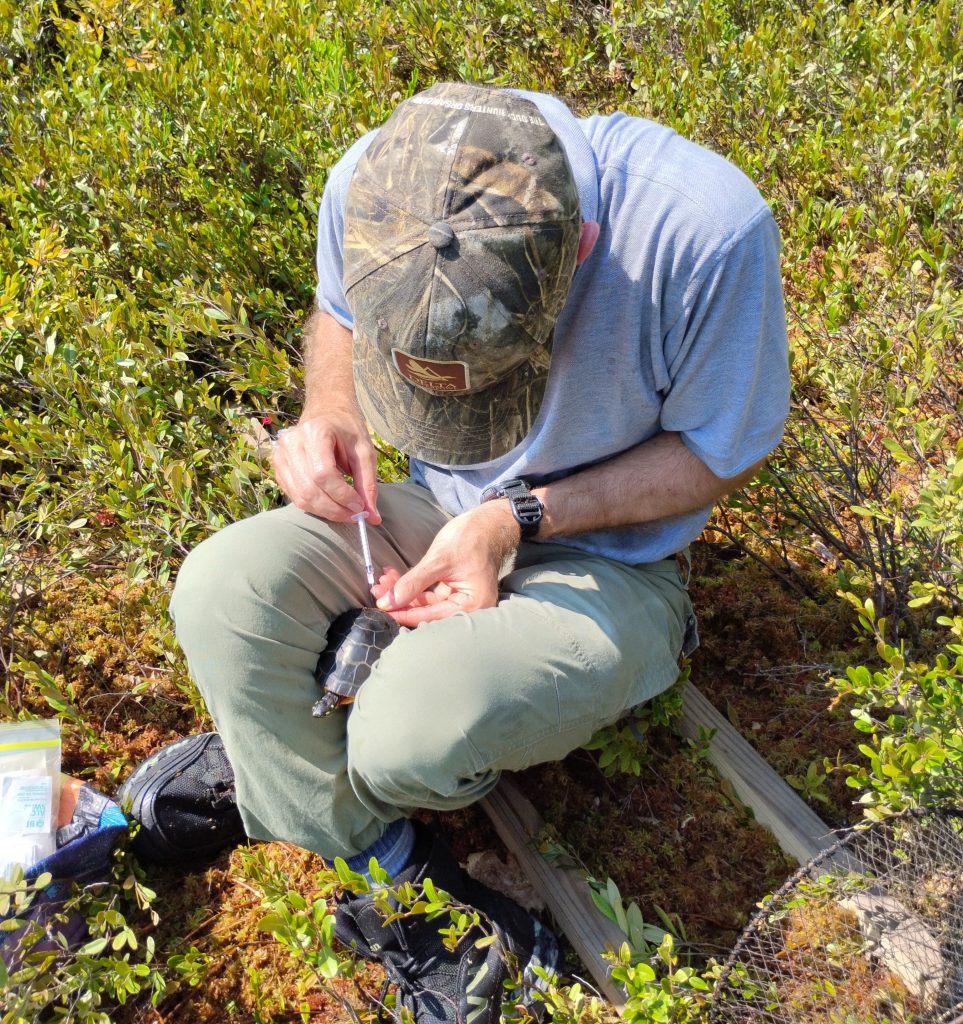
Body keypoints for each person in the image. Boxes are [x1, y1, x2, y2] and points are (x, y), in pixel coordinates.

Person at [171, 81, 790, 1021]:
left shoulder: (703, 232)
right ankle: (391, 874)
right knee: (223, 590)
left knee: (409, 729)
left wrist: (512, 522)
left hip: (612, 560)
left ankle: (284, 767)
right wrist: (330, 414)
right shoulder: (378, 183)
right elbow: (339, 310)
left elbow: (716, 454)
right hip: (429, 506)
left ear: (580, 247)